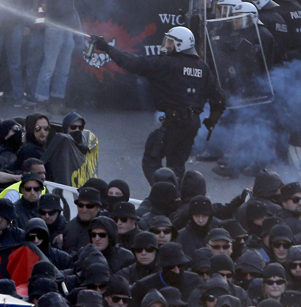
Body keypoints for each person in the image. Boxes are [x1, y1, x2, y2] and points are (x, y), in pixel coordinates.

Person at [93, 27, 226, 183]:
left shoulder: (167, 64)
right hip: (192, 125)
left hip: (174, 122)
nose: (166, 46)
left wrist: (107, 48)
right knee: (176, 165)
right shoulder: (203, 68)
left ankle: (163, 194)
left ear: (181, 45)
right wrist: (211, 121)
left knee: (151, 158)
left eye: (171, 43)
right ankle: (177, 198)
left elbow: (133, 62)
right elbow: (219, 99)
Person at [130, 242, 203, 307]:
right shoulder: (143, 287)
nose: (177, 271)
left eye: (180, 266)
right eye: (171, 267)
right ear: (163, 267)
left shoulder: (194, 281)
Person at [63, 187, 101, 253]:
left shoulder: (106, 228)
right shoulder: (69, 227)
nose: (84, 210)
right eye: (80, 205)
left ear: (98, 207)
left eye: (89, 206)